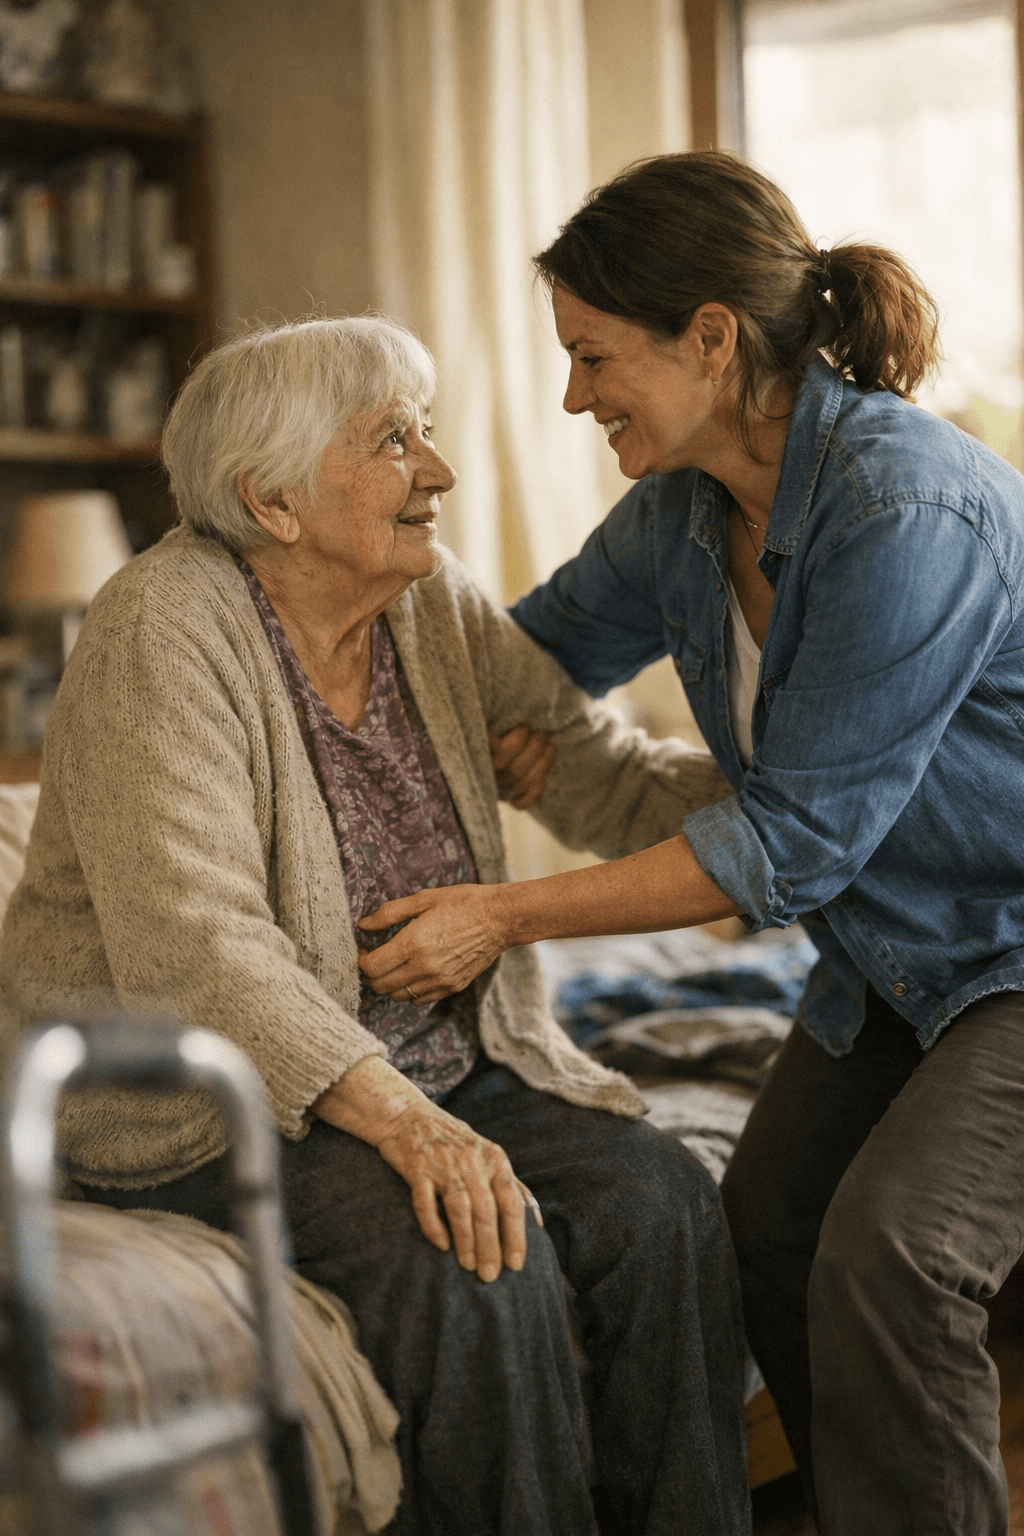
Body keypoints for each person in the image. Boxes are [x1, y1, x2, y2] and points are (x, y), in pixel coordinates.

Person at [354, 153, 1024, 1536]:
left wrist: (501, 912)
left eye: (597, 358)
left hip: (1012, 955)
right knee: (763, 1232)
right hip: (896, 968)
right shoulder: (680, 517)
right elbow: (527, 660)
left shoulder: (907, 506)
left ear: (712, 339)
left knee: (893, 1256)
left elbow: (791, 847)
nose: (574, 397)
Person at [0, 316, 753, 1536]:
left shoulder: (433, 606)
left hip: (448, 1064)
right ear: (274, 501)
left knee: (660, 1201)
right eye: (394, 442)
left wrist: (805, 810)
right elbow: (199, 948)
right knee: (475, 1263)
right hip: (207, 1109)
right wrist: (413, 1129)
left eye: (430, 432)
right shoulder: (160, 631)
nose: (438, 471)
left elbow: (594, 768)